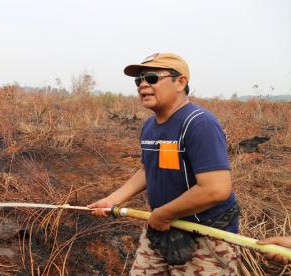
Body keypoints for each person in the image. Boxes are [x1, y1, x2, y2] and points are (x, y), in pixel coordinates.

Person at [88, 53, 240, 275]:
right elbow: (150, 169)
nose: (143, 85)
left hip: (206, 236)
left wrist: (164, 213)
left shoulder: (199, 124)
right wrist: (112, 199)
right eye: (138, 80)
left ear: (180, 82)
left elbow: (215, 189)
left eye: (151, 77)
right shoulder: (150, 126)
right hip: (159, 229)